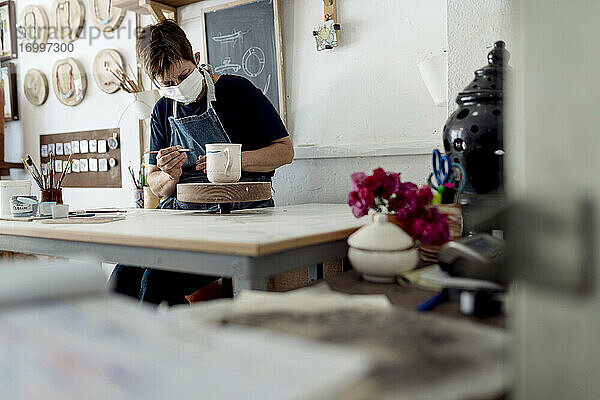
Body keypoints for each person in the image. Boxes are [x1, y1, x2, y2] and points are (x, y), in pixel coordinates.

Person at [109, 19, 293, 305]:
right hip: (184, 218)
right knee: (121, 279)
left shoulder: (239, 92)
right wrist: (170, 175)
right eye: (167, 83)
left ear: (196, 59)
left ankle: (174, 346)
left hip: (239, 217)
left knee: (156, 281)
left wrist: (233, 160)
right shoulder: (162, 109)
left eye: (183, 75)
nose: (178, 87)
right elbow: (154, 181)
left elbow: (284, 151)